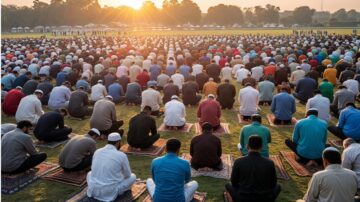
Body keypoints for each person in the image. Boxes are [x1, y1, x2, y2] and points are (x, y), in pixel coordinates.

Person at [226, 135, 280, 202]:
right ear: (261, 147)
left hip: (242, 198)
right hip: (264, 198)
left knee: (228, 185)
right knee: (278, 186)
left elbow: (234, 182)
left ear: (247, 146)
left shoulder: (238, 161)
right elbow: (273, 183)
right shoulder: (269, 163)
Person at [87, 133, 136, 201]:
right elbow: (127, 175)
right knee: (133, 176)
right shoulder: (121, 155)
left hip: (94, 189)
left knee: (89, 173)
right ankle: (117, 193)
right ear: (118, 142)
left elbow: (93, 169)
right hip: (109, 191)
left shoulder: (97, 151)